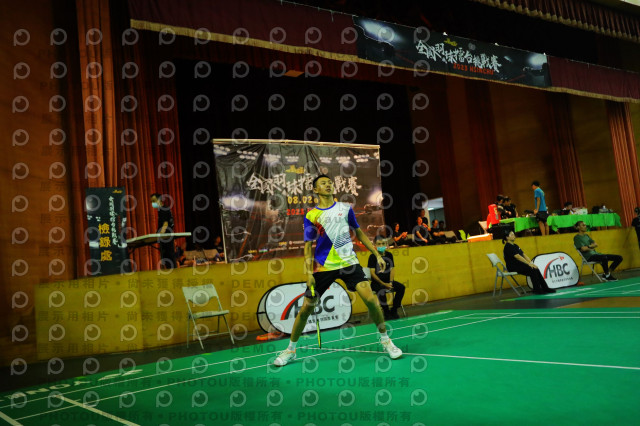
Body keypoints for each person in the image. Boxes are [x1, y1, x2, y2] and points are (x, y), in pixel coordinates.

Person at [274, 175, 402, 366]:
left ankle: (386, 340)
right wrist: (308, 273)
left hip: (349, 262)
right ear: (315, 190)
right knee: (306, 308)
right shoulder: (311, 215)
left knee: (371, 300)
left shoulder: (345, 208)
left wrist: (376, 254)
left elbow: (359, 233)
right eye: (323, 183)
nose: (328, 185)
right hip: (323, 266)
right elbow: (308, 246)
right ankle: (291, 350)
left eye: (329, 182)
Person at [367, 236, 406, 320]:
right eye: (379, 244)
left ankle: (394, 310)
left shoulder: (389, 255)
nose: (381, 245)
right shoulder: (373, 257)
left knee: (401, 287)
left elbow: (392, 270)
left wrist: (390, 282)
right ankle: (386, 312)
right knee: (381, 290)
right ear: (375, 245)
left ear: (386, 244)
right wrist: (384, 284)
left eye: (383, 244)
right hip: (377, 283)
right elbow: (372, 273)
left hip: (388, 281)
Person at [150, 193, 176, 269]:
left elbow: (165, 224)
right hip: (167, 237)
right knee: (168, 257)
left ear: (159, 200)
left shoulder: (163, 209)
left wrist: (160, 234)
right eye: (152, 201)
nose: (153, 203)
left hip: (166, 237)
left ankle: (172, 272)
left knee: (168, 257)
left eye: (154, 201)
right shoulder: (163, 209)